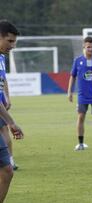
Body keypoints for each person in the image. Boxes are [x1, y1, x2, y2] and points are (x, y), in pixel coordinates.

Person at [0, 19, 24, 203]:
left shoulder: (1, 58)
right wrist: (11, 122)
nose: (13, 46)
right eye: (9, 41)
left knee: (7, 171)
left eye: (14, 41)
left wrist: (6, 96)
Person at [67, 36, 92, 151]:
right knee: (81, 117)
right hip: (82, 96)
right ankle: (80, 143)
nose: (91, 49)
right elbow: (72, 76)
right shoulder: (78, 61)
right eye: (88, 47)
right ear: (84, 47)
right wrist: (69, 92)